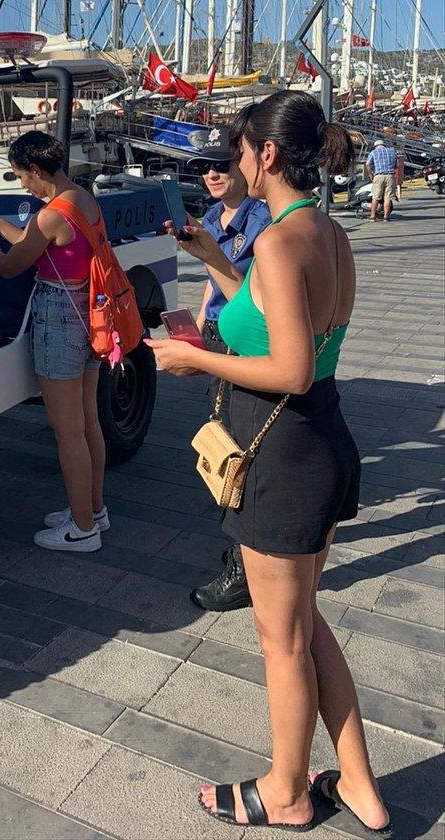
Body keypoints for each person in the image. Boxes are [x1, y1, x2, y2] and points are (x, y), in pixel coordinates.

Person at [148, 91, 390, 836]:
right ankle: (358, 782)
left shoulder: (281, 242)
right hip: (322, 440)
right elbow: (280, 323)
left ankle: (286, 792)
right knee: (303, 624)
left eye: (240, 151)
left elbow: (289, 367)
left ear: (269, 155)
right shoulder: (326, 232)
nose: (235, 163)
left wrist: (192, 358)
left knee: (280, 640)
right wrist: (215, 263)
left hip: (281, 455)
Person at [0, 131, 106, 553]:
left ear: (36, 170)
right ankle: (93, 510)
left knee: (67, 431)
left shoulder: (51, 214)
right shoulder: (82, 199)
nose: (22, 185)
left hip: (59, 317)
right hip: (89, 315)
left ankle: (82, 530)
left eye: (21, 176)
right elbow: (33, 242)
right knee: (88, 422)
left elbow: (9, 266)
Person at [186, 126, 271, 613]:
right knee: (220, 440)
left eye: (221, 164)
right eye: (203, 167)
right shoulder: (212, 216)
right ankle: (243, 548)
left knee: (241, 450)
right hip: (221, 331)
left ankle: (244, 568)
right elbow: (213, 280)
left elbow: (253, 294)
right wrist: (200, 321)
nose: (212, 174)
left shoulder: (263, 222)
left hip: (247, 338)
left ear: (244, 163)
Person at [365, 139, 397, 221]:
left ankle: (372, 216)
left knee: (375, 197)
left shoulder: (373, 152)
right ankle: (386, 217)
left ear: (375, 146)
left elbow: (367, 163)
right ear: (384, 145)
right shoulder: (391, 152)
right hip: (390, 176)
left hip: (378, 176)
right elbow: (396, 165)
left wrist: (370, 174)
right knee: (388, 198)